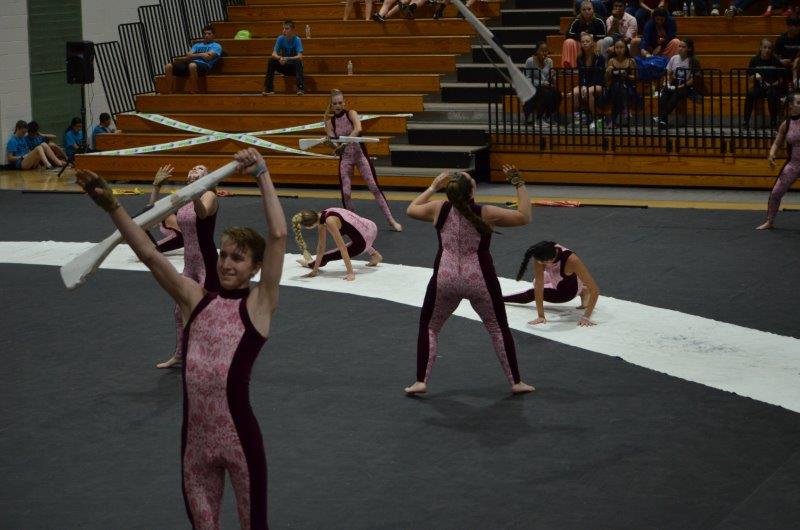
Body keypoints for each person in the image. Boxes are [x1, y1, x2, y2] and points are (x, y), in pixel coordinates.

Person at [75, 147, 286, 529]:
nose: (226, 264)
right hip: (194, 447)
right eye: (224, 255)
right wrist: (112, 206)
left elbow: (278, 234)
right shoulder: (195, 300)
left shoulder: (259, 305)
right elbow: (149, 255)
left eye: (238, 258)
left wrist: (262, 174)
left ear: (256, 267)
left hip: (241, 444)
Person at [403, 166, 535, 396]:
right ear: (472, 190)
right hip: (479, 278)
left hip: (445, 278)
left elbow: (410, 209)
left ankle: (420, 381)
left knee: (430, 328)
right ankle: (516, 382)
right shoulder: (486, 212)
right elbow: (524, 216)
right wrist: (519, 183)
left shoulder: (438, 208)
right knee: (497, 329)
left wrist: (433, 187)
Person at [145, 164, 221, 369]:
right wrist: (156, 187)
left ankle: (210, 356)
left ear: (208, 178)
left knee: (203, 310)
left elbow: (202, 214)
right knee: (179, 311)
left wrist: (195, 193)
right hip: (190, 264)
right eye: (192, 169)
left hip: (206, 263)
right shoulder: (182, 198)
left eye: (200, 169)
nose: (194, 170)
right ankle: (180, 354)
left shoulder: (209, 195)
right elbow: (151, 216)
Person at [324, 89, 403, 231]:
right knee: (346, 192)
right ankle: (354, 223)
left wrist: (344, 144)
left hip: (360, 156)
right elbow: (334, 145)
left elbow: (358, 128)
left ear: (344, 102)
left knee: (374, 187)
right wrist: (332, 145)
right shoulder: (330, 123)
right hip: (346, 159)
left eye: (340, 102)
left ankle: (391, 219)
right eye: (335, 103)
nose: (338, 105)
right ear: (331, 105)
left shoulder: (351, 113)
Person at [503, 241, 600, 327]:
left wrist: (586, 317)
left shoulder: (572, 260)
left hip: (568, 291)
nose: (540, 264)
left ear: (549, 260)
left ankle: (501, 299)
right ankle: (583, 291)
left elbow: (595, 290)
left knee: (531, 293)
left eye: (543, 262)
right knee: (536, 282)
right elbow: (539, 286)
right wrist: (541, 316)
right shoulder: (543, 251)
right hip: (562, 278)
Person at [293, 208, 382, 281]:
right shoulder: (324, 213)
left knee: (325, 257)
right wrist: (315, 270)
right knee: (355, 234)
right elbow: (321, 246)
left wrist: (350, 273)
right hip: (371, 226)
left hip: (364, 241)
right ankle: (375, 255)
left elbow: (342, 248)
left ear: (309, 226)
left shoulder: (329, 221)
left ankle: (309, 264)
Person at [757, 92, 800, 229]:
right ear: (790, 105)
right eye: (799, 103)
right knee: (776, 192)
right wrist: (771, 154)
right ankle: (770, 221)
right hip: (794, 164)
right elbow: (777, 142)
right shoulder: (786, 124)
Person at [163, 25, 222, 94]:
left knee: (192, 65)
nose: (206, 35)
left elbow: (207, 57)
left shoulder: (216, 46)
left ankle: (193, 91)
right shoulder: (197, 45)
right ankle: (169, 92)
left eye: (209, 34)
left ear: (213, 35)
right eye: (205, 34)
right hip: (190, 63)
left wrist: (194, 55)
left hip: (204, 65)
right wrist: (201, 54)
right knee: (168, 66)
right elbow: (188, 56)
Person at [743, 39, 787, 129]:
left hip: (772, 87)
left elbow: (781, 80)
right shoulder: (754, 60)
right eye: (765, 47)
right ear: (760, 48)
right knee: (750, 94)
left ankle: (773, 121)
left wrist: (771, 84)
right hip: (758, 87)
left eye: (769, 48)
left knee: (771, 94)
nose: (767, 50)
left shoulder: (775, 61)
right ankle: (745, 122)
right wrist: (756, 76)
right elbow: (750, 78)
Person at [655, 39, 700, 128]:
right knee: (664, 94)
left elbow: (694, 79)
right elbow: (668, 72)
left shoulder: (693, 61)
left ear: (689, 49)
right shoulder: (674, 58)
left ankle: (661, 118)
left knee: (676, 95)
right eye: (679, 46)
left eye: (683, 47)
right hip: (674, 82)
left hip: (686, 85)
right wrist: (668, 83)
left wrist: (680, 87)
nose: (680, 48)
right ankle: (663, 121)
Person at [571, 32, 606, 127]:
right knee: (574, 92)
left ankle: (595, 118)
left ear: (592, 43)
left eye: (587, 41)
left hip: (598, 84)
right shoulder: (579, 58)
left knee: (589, 91)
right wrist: (583, 85)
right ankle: (578, 118)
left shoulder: (599, 58)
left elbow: (599, 76)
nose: (585, 43)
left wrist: (587, 87)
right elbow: (581, 75)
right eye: (583, 42)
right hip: (586, 85)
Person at [263, 20, 305, 95]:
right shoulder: (280, 38)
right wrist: (279, 58)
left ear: (292, 30)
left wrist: (287, 58)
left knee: (298, 61)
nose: (284, 31)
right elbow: (273, 54)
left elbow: (300, 56)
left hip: (294, 68)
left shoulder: (297, 39)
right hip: (284, 66)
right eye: (283, 28)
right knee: (271, 61)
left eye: (286, 29)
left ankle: (301, 88)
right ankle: (269, 88)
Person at [523, 42, 561, 124]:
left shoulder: (549, 61)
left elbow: (552, 79)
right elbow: (526, 78)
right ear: (537, 51)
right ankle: (539, 119)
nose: (544, 53)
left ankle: (548, 116)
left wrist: (552, 76)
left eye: (546, 51)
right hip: (533, 87)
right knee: (545, 93)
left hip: (545, 87)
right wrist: (541, 83)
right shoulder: (530, 61)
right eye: (542, 51)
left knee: (557, 93)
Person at [603, 38, 638, 127]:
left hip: (628, 86)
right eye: (617, 47)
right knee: (617, 87)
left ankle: (613, 120)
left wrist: (626, 76)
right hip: (613, 87)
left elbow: (636, 78)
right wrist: (608, 72)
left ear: (625, 48)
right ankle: (625, 108)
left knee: (619, 89)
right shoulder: (611, 60)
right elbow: (607, 79)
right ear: (614, 49)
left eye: (621, 47)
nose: (619, 50)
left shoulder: (630, 61)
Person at [562, 1, 607, 68]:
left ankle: (599, 67)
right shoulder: (576, 20)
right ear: (580, 11)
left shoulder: (599, 20)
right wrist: (579, 35)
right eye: (584, 10)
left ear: (593, 10)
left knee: (602, 42)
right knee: (568, 42)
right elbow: (568, 34)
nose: (586, 11)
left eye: (589, 9)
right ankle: (571, 68)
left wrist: (593, 36)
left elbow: (604, 35)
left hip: (594, 42)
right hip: (580, 42)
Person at [775, 17, 800, 87]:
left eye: (799, 26)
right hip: (784, 68)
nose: (798, 28)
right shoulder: (781, 39)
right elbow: (775, 56)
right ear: (789, 27)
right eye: (796, 26)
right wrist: (781, 61)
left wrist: (797, 60)